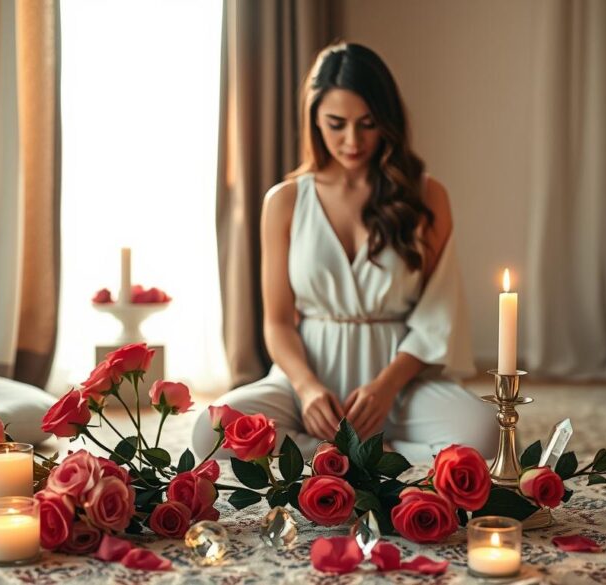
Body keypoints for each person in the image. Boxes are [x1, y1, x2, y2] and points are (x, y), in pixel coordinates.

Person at [192, 42, 497, 462]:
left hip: (400, 383)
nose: (352, 140)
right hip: (309, 377)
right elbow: (278, 323)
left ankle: (366, 453)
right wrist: (306, 388)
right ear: (314, 118)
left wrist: (387, 387)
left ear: (387, 121)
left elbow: (437, 314)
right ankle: (342, 454)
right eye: (336, 123)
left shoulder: (426, 195)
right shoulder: (285, 201)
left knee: (481, 432)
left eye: (368, 124)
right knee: (209, 432)